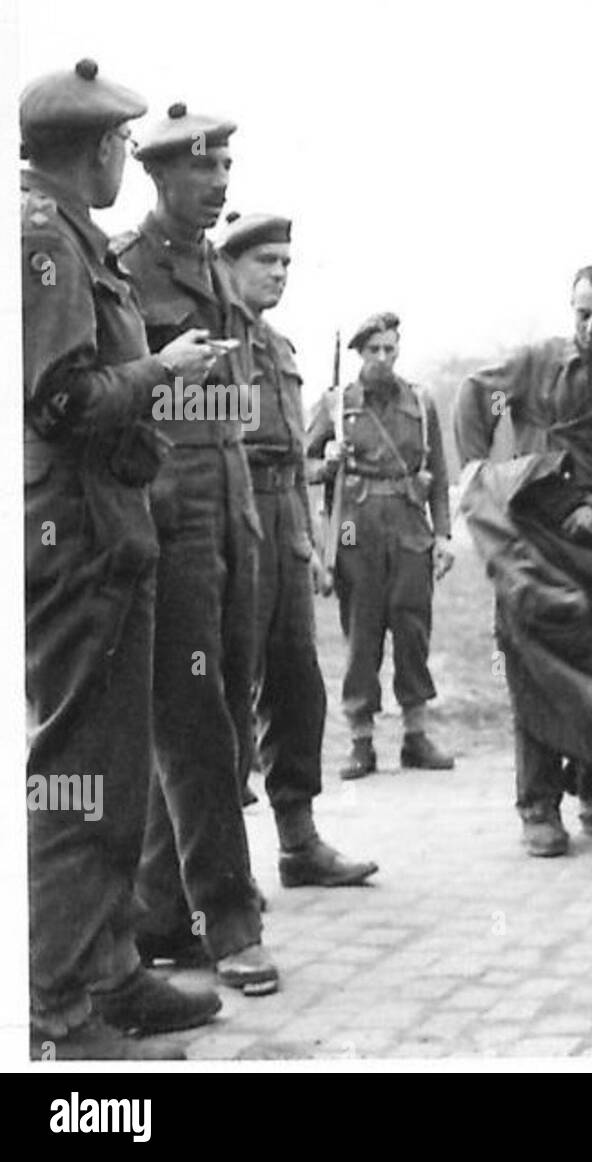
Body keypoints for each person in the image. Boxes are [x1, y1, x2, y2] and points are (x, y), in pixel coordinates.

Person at [21, 58, 222, 1058]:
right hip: (78, 542)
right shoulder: (42, 242)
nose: (122, 160)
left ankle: (108, 971)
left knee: (113, 771)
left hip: (109, 534)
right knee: (76, 778)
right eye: (117, 145)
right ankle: (59, 1008)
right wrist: (162, 370)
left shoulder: (71, 236)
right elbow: (57, 400)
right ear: (95, 149)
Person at [114, 101, 277, 996]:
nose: (218, 185)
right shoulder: (124, 269)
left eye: (224, 171)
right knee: (192, 713)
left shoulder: (212, 266)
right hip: (171, 505)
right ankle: (229, 916)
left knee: (228, 694)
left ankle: (161, 910)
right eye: (202, 172)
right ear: (159, 175)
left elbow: (236, 399)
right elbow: (121, 397)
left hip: (231, 497)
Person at [455, 265, 592, 857]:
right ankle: (539, 808)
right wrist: (480, 471)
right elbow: (477, 393)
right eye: (581, 312)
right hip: (529, 534)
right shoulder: (535, 362)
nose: (590, 325)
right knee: (534, 670)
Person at [219, 212, 378, 887]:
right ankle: (220, 869)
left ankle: (298, 840)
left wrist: (311, 542)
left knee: (296, 685)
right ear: (228, 266)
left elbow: (296, 459)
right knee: (226, 690)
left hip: (284, 518)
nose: (280, 273)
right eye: (265, 262)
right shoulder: (208, 345)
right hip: (232, 513)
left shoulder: (280, 347)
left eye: (286, 262)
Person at [306, 313, 454, 778]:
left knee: (413, 631)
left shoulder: (421, 401)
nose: (384, 359)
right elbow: (301, 466)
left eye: (391, 349)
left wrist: (444, 534)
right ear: (359, 354)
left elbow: (440, 478)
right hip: (356, 532)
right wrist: (326, 462)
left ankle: (416, 736)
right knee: (362, 635)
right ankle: (361, 741)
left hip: (410, 529)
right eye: (375, 351)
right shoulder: (335, 406)